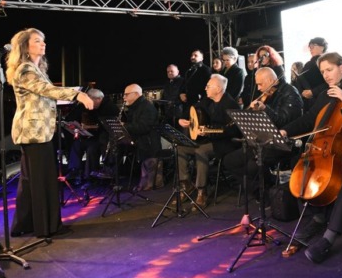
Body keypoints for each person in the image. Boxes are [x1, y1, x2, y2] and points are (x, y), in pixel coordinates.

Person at [279, 52, 342, 264]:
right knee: (302, 164)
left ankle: (330, 235)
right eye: (322, 71)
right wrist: (286, 130)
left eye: (329, 69)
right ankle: (317, 217)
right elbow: (309, 119)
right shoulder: (326, 94)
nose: (325, 75)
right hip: (330, 148)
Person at [7, 28, 94, 238]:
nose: (43, 44)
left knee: (30, 181)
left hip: (37, 131)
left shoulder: (37, 70)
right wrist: (77, 94)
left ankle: (24, 224)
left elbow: (44, 95)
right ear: (25, 46)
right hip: (34, 133)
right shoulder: (25, 69)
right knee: (42, 180)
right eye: (37, 41)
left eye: (43, 40)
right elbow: (45, 90)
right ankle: (47, 227)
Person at [222, 67, 302, 196]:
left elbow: (284, 121)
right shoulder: (268, 94)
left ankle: (267, 190)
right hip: (264, 140)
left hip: (283, 141)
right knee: (229, 160)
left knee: (253, 165)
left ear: (270, 80)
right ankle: (261, 190)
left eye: (260, 84)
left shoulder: (290, 93)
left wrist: (265, 109)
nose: (258, 88)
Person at [176, 74, 240, 207]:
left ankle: (202, 190)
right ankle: (186, 184)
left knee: (201, 151)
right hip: (207, 140)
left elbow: (232, 131)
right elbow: (193, 108)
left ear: (218, 89)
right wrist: (183, 119)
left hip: (224, 143)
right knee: (180, 148)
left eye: (208, 86)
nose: (205, 88)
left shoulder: (230, 105)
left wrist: (209, 131)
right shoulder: (208, 100)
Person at [122, 84, 164, 191]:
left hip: (150, 143)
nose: (124, 97)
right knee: (145, 165)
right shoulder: (136, 107)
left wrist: (125, 126)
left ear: (136, 94)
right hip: (142, 143)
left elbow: (144, 127)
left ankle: (152, 184)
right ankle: (145, 183)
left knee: (151, 166)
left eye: (126, 94)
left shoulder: (147, 107)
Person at [297, 37, 329, 108]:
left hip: (323, 99)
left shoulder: (328, 62)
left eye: (312, 46)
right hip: (309, 101)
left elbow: (330, 83)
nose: (310, 49)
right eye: (309, 47)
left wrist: (313, 92)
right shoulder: (309, 63)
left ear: (322, 47)